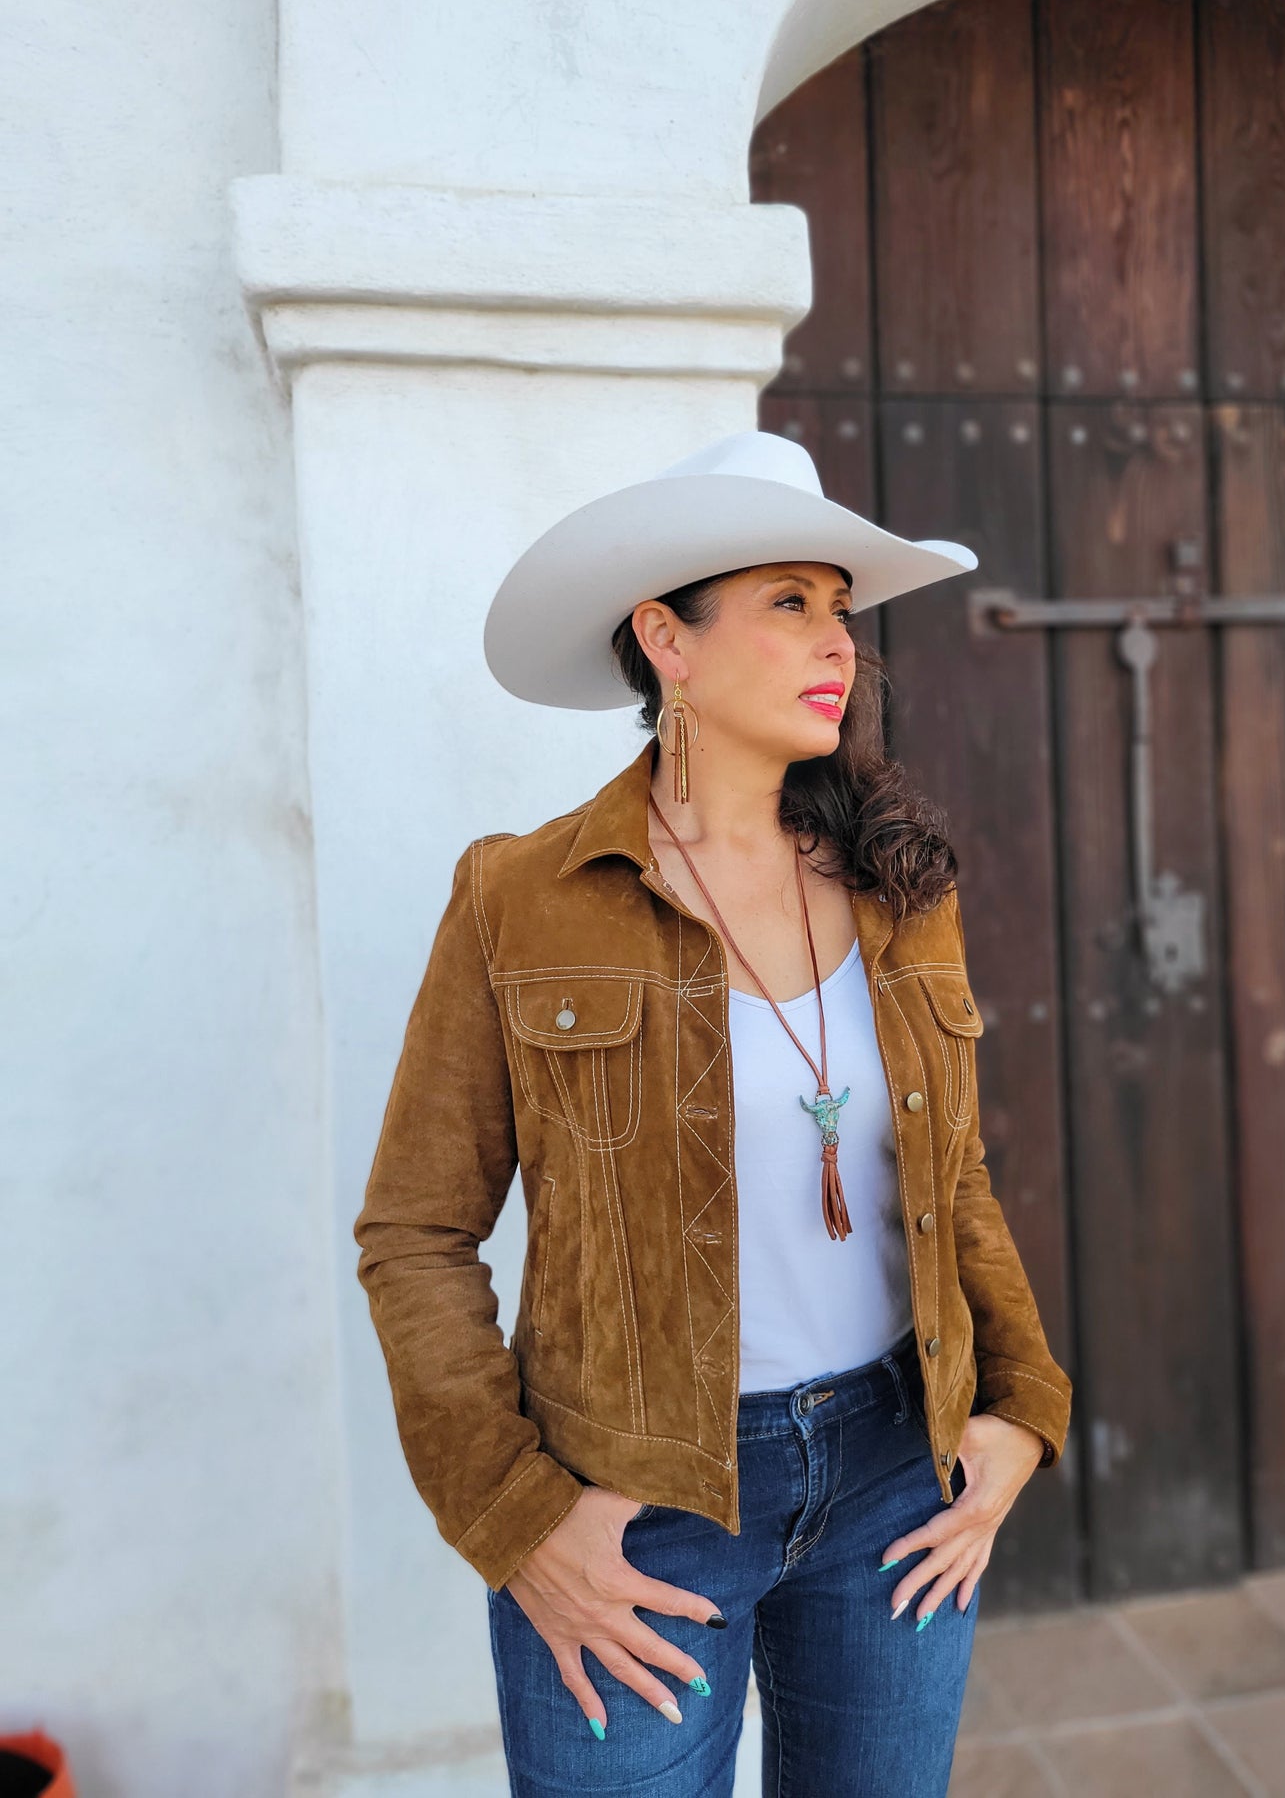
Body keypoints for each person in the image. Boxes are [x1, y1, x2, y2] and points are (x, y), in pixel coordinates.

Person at [354, 430, 1072, 1796]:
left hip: (889, 1479)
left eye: (841, 608)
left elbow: (952, 1178)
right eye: (788, 601)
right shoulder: (521, 897)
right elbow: (416, 1228)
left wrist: (1021, 1407)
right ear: (664, 642)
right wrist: (515, 1520)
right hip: (636, 1508)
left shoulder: (897, 884)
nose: (836, 642)